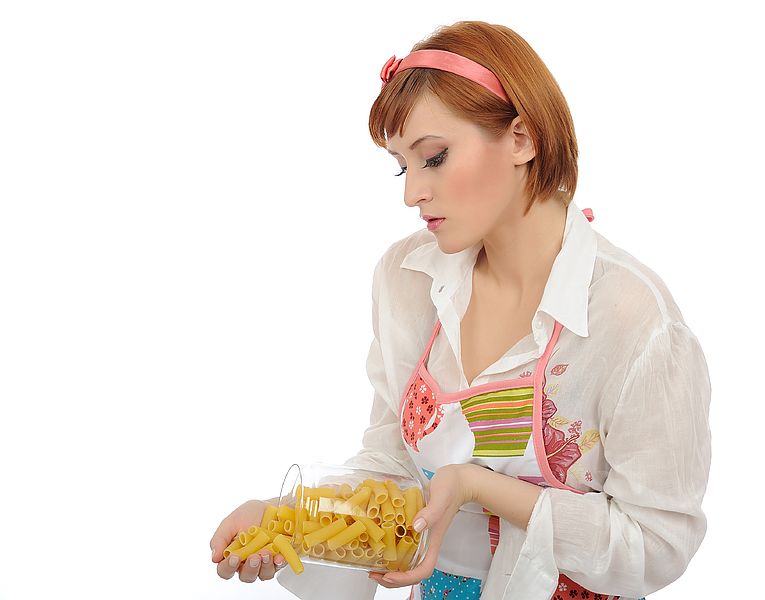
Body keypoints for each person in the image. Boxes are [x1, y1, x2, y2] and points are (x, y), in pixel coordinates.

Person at [210, 20, 711, 600]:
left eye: (435, 157)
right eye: (402, 165)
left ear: (521, 138)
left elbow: (657, 543)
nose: (411, 193)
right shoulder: (407, 280)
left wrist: (482, 487)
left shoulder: (633, 319)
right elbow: (394, 466)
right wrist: (286, 519)